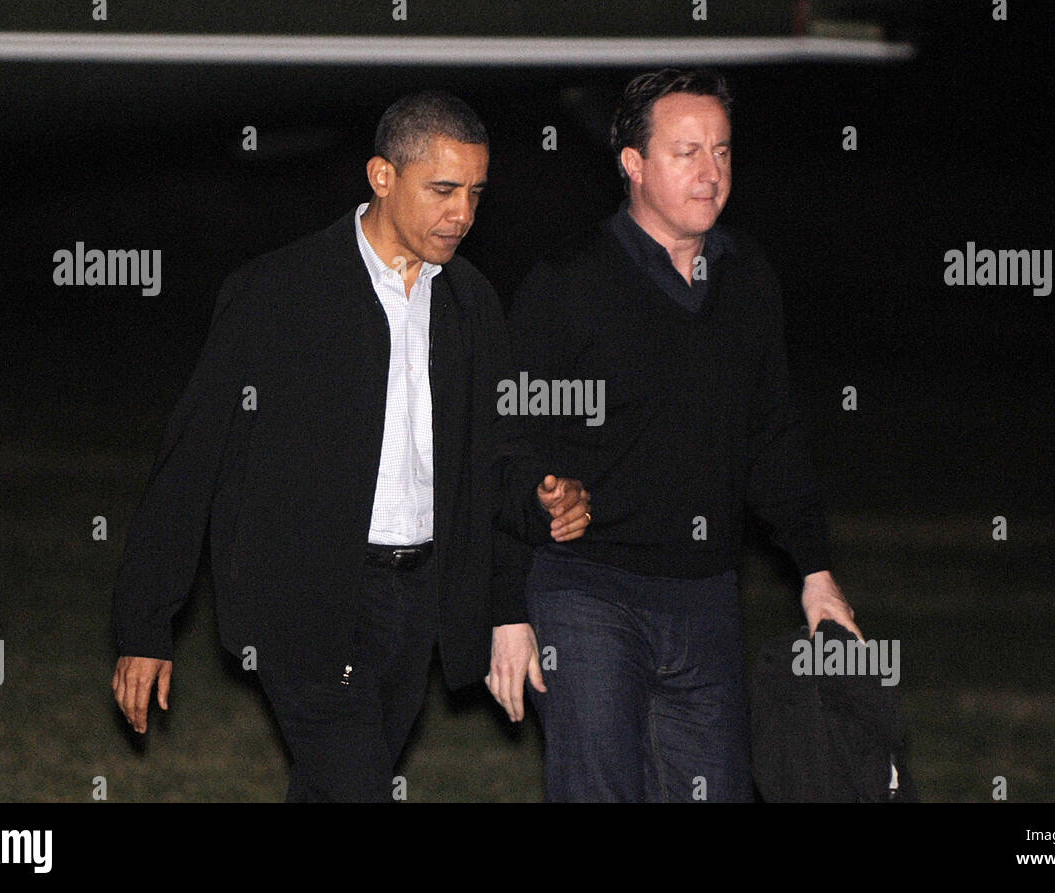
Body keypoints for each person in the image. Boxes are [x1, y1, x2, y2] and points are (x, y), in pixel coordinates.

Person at [110, 90, 590, 802]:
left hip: (418, 599)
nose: (462, 214)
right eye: (443, 190)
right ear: (382, 176)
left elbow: (494, 461)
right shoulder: (278, 292)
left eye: (476, 193)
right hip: (307, 598)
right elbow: (193, 458)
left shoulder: (471, 303)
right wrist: (145, 621)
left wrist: (541, 506)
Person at [487, 69, 861, 802]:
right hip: (585, 590)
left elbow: (771, 432)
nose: (710, 171)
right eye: (686, 151)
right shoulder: (568, 283)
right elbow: (506, 448)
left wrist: (815, 571)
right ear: (632, 163)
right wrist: (506, 611)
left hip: (707, 596)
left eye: (721, 151)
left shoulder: (746, 275)